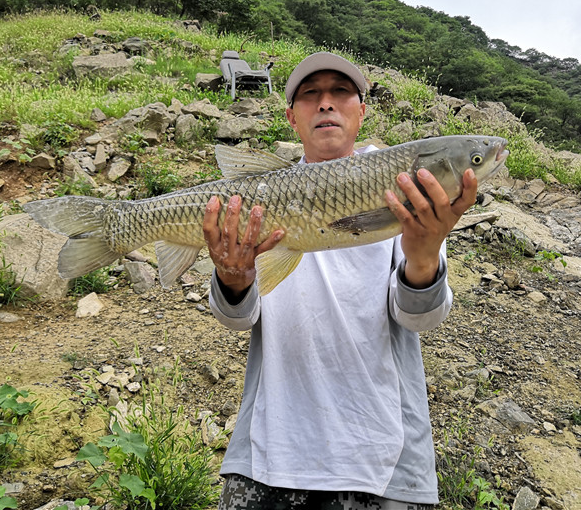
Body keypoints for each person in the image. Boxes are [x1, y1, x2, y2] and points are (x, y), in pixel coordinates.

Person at [202, 52, 478, 510]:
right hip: (269, 453)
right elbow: (236, 318)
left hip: (382, 458)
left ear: (362, 111)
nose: (326, 103)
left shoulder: (406, 190)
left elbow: (421, 320)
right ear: (291, 117)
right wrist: (233, 278)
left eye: (341, 92)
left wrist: (425, 254)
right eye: (311, 94)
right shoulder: (258, 197)